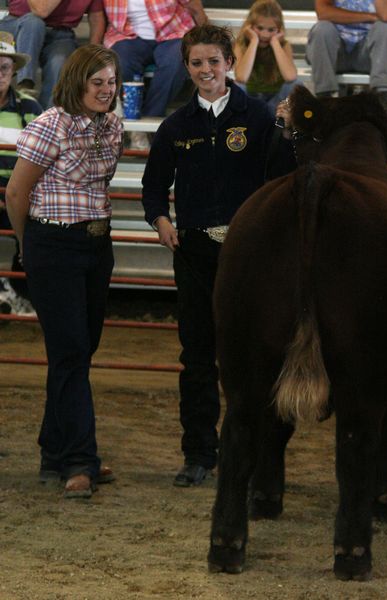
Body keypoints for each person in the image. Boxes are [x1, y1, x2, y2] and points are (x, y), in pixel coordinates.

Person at [142, 23, 296, 487]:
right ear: (186, 67)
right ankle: (199, 453)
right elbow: (153, 187)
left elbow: (281, 178)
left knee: (253, 357)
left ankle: (252, 456)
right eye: (196, 63)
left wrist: (287, 134)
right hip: (194, 256)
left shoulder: (260, 116)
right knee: (197, 356)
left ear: (230, 63)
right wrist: (161, 221)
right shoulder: (175, 126)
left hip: (249, 259)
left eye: (214, 61)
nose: (206, 70)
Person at [5, 44, 123, 499]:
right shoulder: (48, 125)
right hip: (52, 244)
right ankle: (79, 459)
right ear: (77, 82)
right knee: (73, 350)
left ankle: (54, 449)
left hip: (96, 244)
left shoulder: (110, 124)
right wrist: (27, 246)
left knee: (77, 349)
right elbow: (17, 193)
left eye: (111, 83)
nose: (107, 91)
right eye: (98, 83)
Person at [102, 0, 208, 118]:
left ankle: (150, 118)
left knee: (175, 62)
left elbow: (194, 5)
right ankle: (133, 114)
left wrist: (207, 38)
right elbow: (95, 13)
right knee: (120, 62)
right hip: (126, 36)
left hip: (173, 33)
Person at [0, 31, 41, 315]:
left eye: (4, 67)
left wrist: (14, 194)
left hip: (19, 192)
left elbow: (42, 157)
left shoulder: (29, 107)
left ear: (13, 71)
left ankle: (12, 290)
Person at [0, 1, 106, 109]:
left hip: (60, 33)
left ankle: (45, 117)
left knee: (59, 61)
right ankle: (25, 85)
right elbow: (40, 10)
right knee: (35, 23)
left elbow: (96, 17)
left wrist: (93, 53)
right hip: (21, 25)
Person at [305, 0, 387, 121]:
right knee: (322, 29)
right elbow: (323, 13)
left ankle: (383, 98)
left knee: (386, 28)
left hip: (370, 55)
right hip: (336, 52)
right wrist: (370, 17)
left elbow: (386, 14)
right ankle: (324, 98)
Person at [233, 0, 301, 116]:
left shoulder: (284, 45)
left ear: (279, 29)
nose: (264, 34)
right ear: (249, 26)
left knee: (295, 85)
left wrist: (275, 43)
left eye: (271, 30)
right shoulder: (241, 45)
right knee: (236, 87)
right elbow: (241, 78)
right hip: (250, 100)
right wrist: (253, 41)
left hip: (276, 102)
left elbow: (290, 77)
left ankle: (277, 124)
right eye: (259, 28)